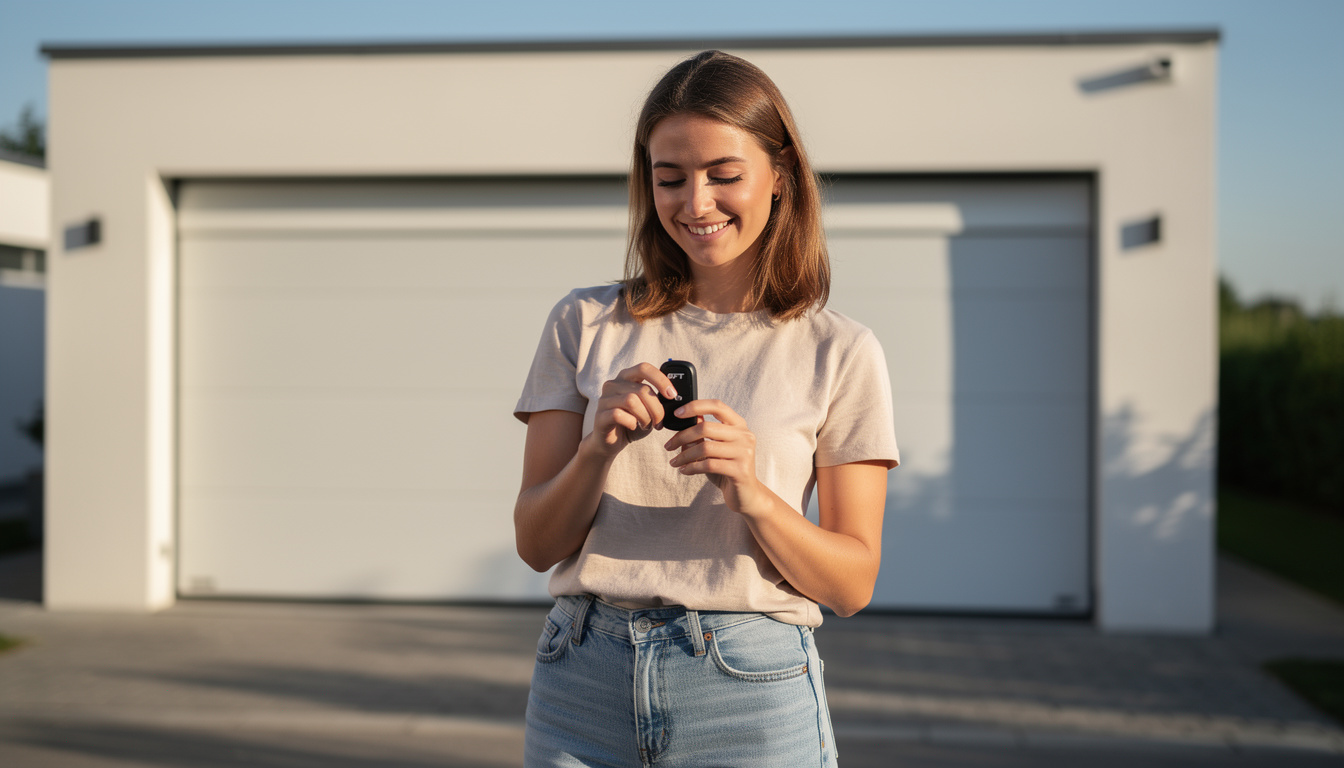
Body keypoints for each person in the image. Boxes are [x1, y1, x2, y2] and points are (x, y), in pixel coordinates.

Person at [512, 49, 899, 767]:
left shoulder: (840, 350)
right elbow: (537, 544)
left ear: (780, 176)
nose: (695, 204)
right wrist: (598, 449)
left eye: (725, 175)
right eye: (670, 178)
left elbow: (852, 583)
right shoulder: (583, 322)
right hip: (581, 680)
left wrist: (751, 493)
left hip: (749, 689)